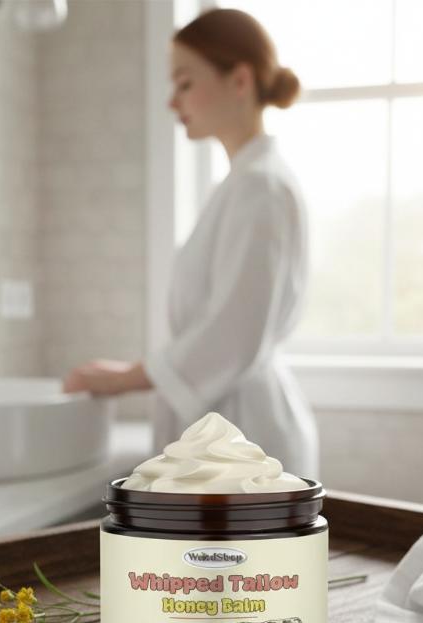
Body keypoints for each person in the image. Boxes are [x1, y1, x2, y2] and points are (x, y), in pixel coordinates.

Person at [62, 8, 318, 478]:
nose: (171, 102)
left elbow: (233, 332)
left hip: (245, 437)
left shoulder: (260, 186)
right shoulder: (243, 183)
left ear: (239, 80)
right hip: (231, 429)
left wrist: (128, 378)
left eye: (184, 83)